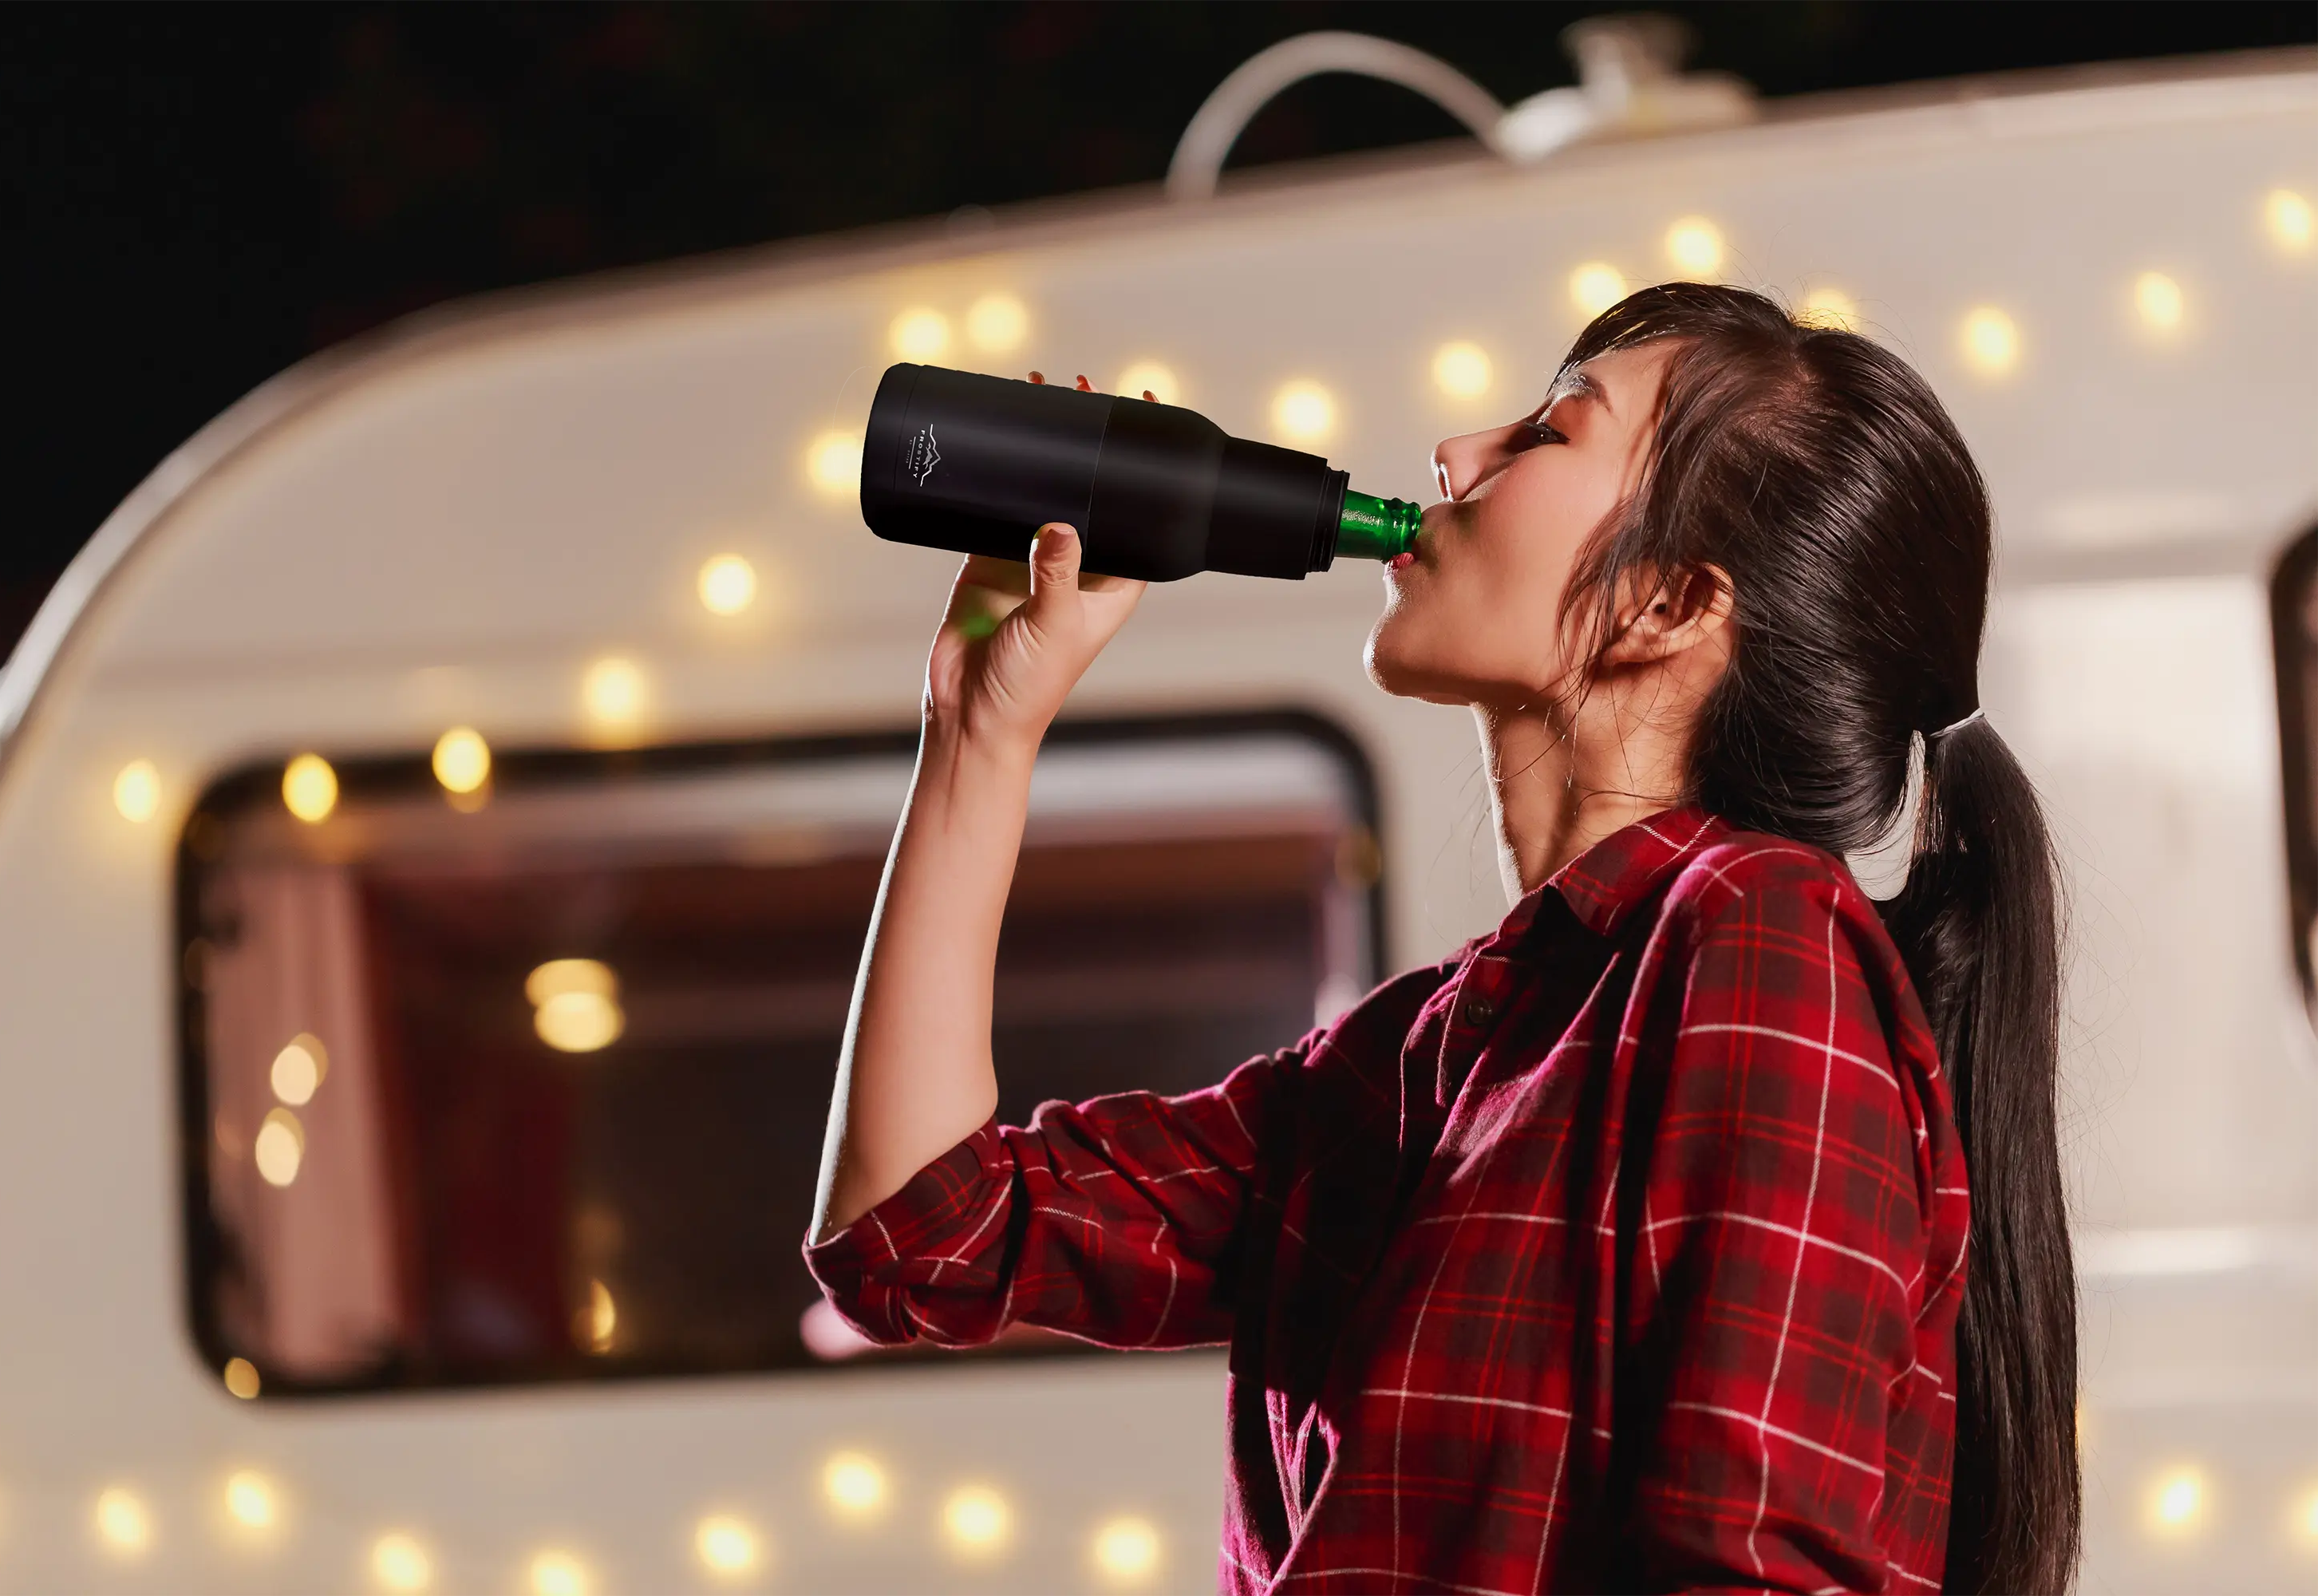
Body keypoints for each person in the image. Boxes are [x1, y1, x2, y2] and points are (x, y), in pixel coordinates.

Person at [804, 282, 2079, 1596]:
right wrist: (980, 725)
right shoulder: (1422, 1052)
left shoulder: (1756, 937)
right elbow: (918, 1237)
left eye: (1549, 434)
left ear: (1663, 605)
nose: (1455, 453)